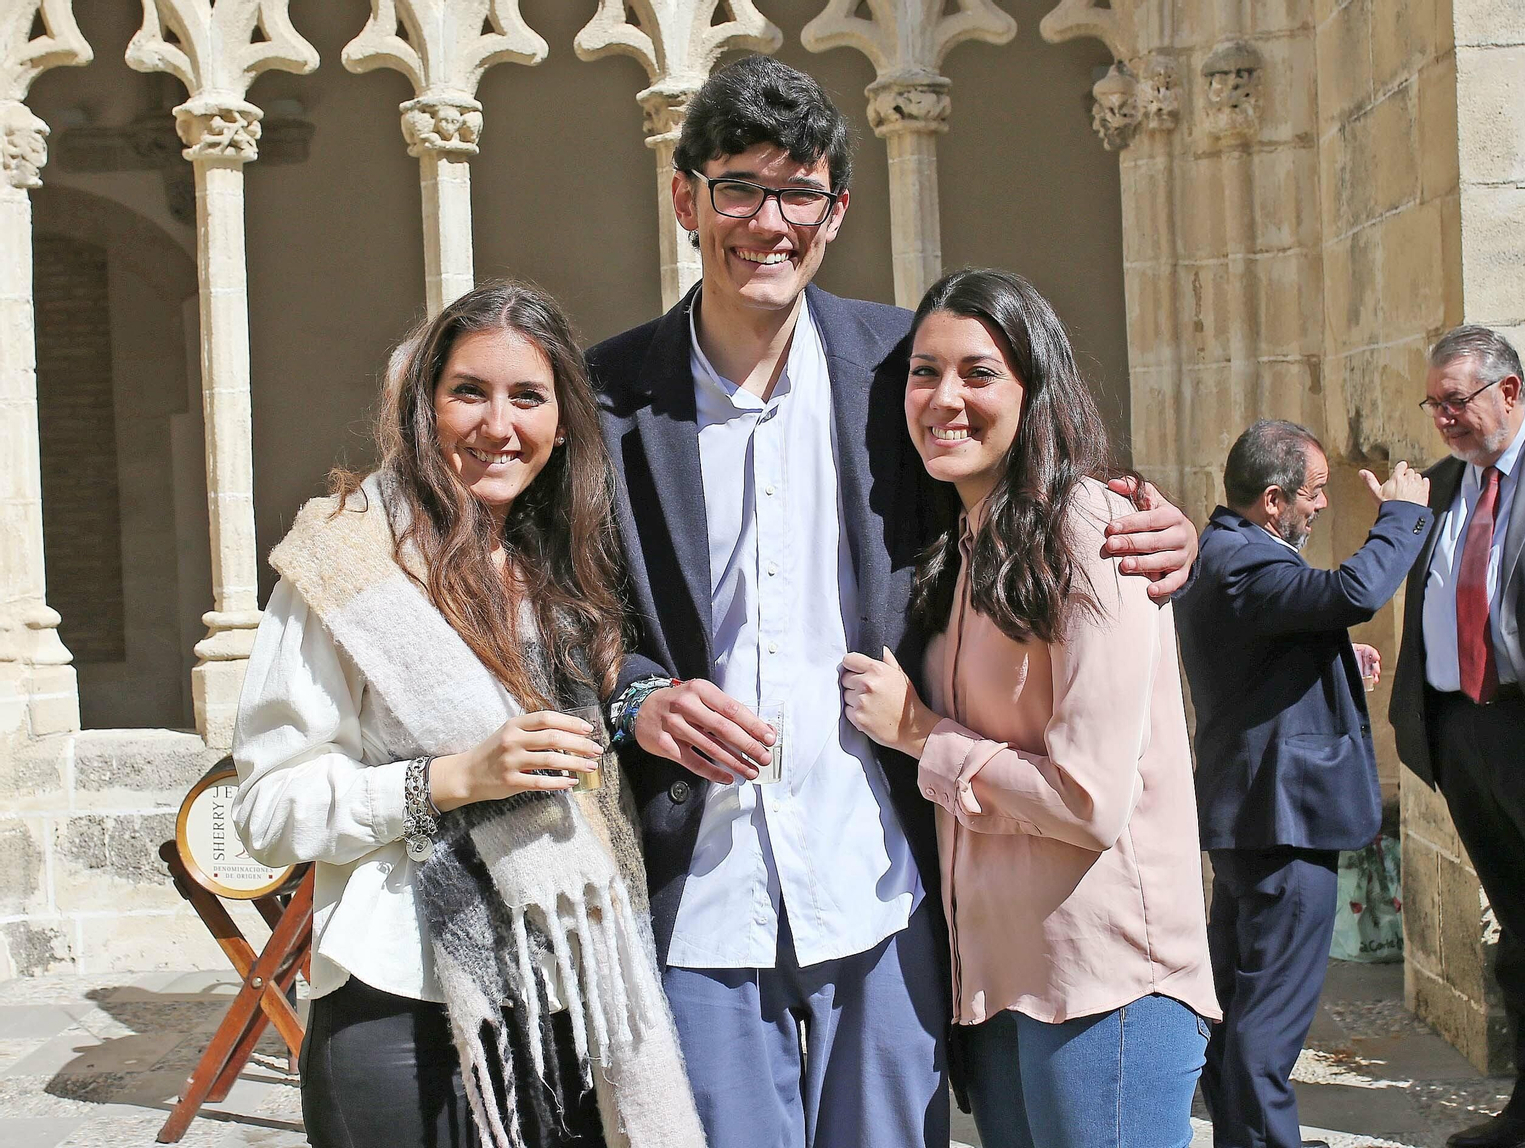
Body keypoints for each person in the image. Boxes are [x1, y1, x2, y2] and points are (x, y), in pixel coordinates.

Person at [585, 57, 1201, 1148]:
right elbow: (568, 611)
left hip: (885, 880)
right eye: (737, 188)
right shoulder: (604, 396)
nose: (766, 221)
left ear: (836, 213)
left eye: (798, 193)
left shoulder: (898, 370)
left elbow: (1021, 484)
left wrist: (1162, 521)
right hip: (706, 887)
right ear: (685, 198)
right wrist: (635, 700)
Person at [232, 282, 704, 1148]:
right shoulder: (348, 565)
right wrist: (448, 780)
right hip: (401, 1007)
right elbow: (266, 810)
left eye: (528, 397)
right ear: (425, 406)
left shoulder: (567, 566)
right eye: (469, 393)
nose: (499, 425)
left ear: (563, 423)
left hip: (567, 1001)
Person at [839, 267, 1220, 1148]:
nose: (944, 399)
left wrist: (919, 733)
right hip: (999, 986)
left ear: (1032, 388)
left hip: (1106, 983)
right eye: (923, 373)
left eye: (979, 373)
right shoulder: (958, 546)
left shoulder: (1089, 531)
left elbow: (1090, 801)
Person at [1173, 419, 1433, 1148]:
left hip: (1258, 819)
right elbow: (1353, 590)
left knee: (1240, 1001)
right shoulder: (1246, 562)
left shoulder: (1230, 552)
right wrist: (1403, 516)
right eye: (1314, 494)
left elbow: (1258, 664)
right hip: (1280, 825)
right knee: (1269, 1021)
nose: (1320, 507)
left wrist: (1330, 658)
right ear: (1273, 498)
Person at [1390, 325, 1525, 1148]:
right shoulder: (1440, 488)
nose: (1443, 417)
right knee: (1521, 932)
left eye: (1457, 401)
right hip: (1462, 732)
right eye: (1433, 403)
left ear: (1508, 392)